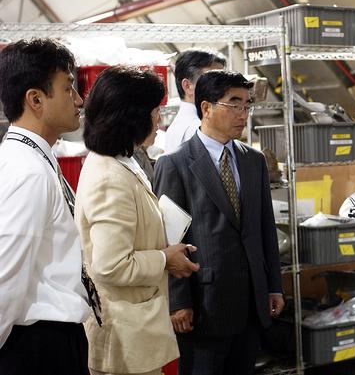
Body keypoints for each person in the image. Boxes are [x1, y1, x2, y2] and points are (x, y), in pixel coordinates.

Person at [154, 70, 284, 375]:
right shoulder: (174, 164)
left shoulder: (253, 162)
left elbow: (265, 227)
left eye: (247, 105)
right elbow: (170, 240)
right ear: (207, 108)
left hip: (251, 302)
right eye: (234, 104)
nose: (243, 114)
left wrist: (273, 286)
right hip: (204, 305)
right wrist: (178, 301)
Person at [75, 66, 200, 375]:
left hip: (135, 335)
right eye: (154, 111)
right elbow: (110, 265)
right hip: (122, 341)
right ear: (132, 116)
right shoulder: (108, 176)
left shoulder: (122, 161)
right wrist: (164, 259)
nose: (159, 120)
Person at [0, 38, 91, 374]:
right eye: (68, 89)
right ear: (35, 99)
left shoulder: (34, 158)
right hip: (35, 346)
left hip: (44, 340)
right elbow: (5, 278)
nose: (79, 100)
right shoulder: (28, 172)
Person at [164, 49, 226, 154]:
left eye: (224, 81)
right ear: (188, 86)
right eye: (214, 82)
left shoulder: (178, 126)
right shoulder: (198, 129)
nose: (223, 88)